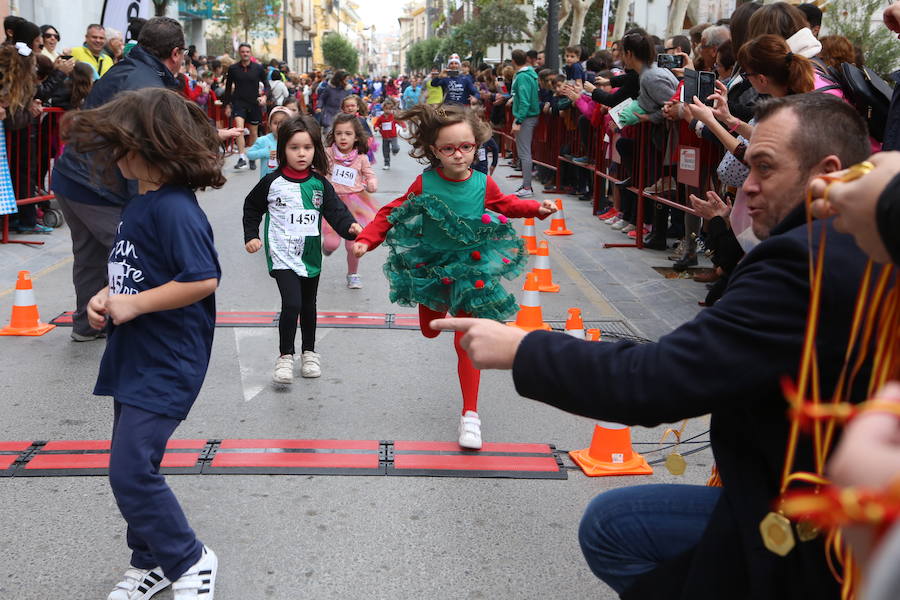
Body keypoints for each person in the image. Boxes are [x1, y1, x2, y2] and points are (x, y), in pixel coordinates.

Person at [432, 93, 875, 599]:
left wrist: (523, 348)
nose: (746, 186)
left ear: (828, 172)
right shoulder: (853, 242)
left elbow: (659, 379)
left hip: (810, 522)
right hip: (819, 498)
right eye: (748, 165)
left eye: (765, 168)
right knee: (616, 521)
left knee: (615, 528)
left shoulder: (804, 262)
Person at [64, 86, 224, 600]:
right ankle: (149, 560)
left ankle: (189, 558)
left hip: (168, 358)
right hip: (133, 354)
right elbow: (136, 271)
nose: (114, 157)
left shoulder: (175, 208)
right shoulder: (141, 204)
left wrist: (131, 305)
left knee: (131, 471)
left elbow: (202, 278)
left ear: (153, 148)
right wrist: (106, 294)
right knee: (135, 465)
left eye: (122, 145)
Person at [351, 104, 557, 450]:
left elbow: (506, 204)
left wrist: (537, 208)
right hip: (431, 267)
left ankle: (470, 416)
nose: (459, 155)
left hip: (471, 270)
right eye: (449, 148)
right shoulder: (425, 182)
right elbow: (391, 211)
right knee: (430, 330)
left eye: (466, 146)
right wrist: (366, 240)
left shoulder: (482, 182)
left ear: (476, 145)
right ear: (434, 150)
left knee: (466, 341)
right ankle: (433, 315)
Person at [51, 17, 194, 342]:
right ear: (175, 53)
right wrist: (143, 205)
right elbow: (136, 150)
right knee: (140, 254)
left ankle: (88, 326)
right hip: (98, 185)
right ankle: (150, 330)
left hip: (73, 178)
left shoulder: (126, 69)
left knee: (91, 257)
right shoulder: (146, 84)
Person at [242, 115, 363, 384]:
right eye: (294, 147)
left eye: (307, 148)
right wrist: (251, 235)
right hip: (281, 254)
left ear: (315, 150)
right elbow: (251, 207)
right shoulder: (272, 182)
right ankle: (285, 356)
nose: (301, 153)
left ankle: (310, 352)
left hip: (309, 256)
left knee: (308, 305)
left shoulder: (319, 184)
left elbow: (336, 212)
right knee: (292, 303)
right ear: (283, 148)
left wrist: (350, 228)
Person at [322, 113, 378, 289]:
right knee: (332, 243)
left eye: (348, 133)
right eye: (339, 133)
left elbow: (370, 174)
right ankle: (327, 248)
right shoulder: (328, 154)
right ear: (333, 135)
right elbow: (318, 171)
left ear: (356, 137)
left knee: (353, 246)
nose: (343, 137)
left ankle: (352, 274)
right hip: (333, 204)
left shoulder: (361, 157)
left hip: (356, 204)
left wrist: (371, 183)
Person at [223, 43, 270, 171]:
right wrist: (227, 105)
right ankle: (242, 157)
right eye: (243, 51)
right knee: (239, 129)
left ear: (250, 53)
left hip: (254, 103)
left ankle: (252, 157)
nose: (245, 54)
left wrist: (265, 96)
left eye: (247, 51)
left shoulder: (258, 68)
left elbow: (266, 85)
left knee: (254, 132)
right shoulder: (233, 68)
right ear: (239, 53)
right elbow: (228, 88)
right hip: (238, 103)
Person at [510, 49, 540, 198]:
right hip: (529, 116)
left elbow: (524, 100)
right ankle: (526, 184)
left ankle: (527, 186)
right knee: (524, 152)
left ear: (514, 61)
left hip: (526, 117)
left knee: (524, 152)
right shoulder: (530, 75)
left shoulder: (522, 77)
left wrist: (518, 120)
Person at [245, 106, 293, 178]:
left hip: (287, 182)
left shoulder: (292, 141)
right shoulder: (263, 140)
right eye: (275, 123)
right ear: (269, 125)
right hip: (267, 182)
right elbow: (250, 154)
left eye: (283, 123)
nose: (279, 126)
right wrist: (264, 152)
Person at [372, 97, 401, 170]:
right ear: (383, 109)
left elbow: (399, 121)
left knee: (395, 147)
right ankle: (386, 164)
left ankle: (395, 151)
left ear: (392, 109)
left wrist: (403, 126)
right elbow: (376, 124)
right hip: (385, 137)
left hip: (393, 136)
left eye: (389, 109)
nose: (387, 111)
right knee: (385, 151)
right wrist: (376, 128)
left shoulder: (393, 116)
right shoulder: (381, 118)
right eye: (386, 109)